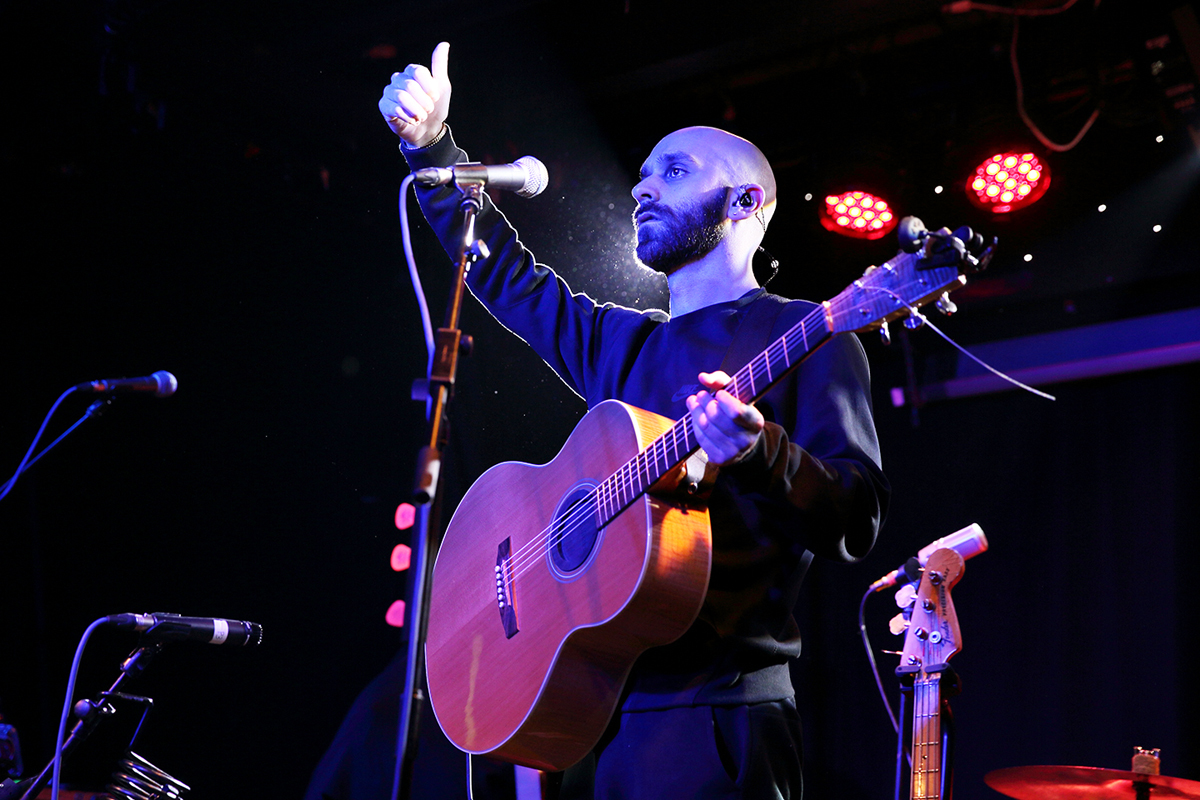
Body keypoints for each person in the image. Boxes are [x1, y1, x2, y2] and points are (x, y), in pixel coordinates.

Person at [377, 42, 889, 799]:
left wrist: (762, 453)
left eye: (674, 172)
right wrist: (431, 148)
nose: (643, 188)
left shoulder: (809, 334)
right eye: (643, 173)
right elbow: (505, 277)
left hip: (719, 720)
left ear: (744, 202)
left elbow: (858, 515)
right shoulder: (625, 342)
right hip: (600, 716)